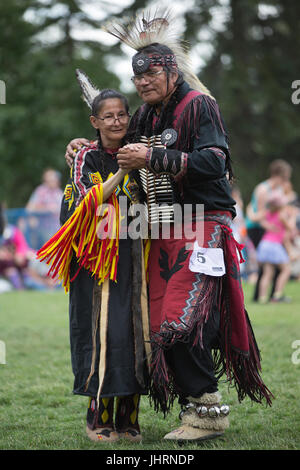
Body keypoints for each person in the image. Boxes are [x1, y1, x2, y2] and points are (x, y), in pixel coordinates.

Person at [64, 10, 273, 443]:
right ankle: (194, 405)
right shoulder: (145, 116)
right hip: (162, 225)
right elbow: (117, 142)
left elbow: (215, 163)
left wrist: (157, 159)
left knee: (182, 318)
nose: (143, 83)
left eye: (152, 74)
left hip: (204, 223)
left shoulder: (198, 105)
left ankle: (208, 412)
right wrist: (85, 143)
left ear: (171, 70)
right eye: (138, 78)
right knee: (157, 321)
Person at [37, 88, 150, 443]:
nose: (116, 121)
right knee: (104, 332)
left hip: (134, 252)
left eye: (122, 115)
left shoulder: (141, 149)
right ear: (95, 121)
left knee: (135, 330)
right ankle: (98, 415)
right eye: (108, 116)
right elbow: (89, 199)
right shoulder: (84, 155)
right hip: (95, 258)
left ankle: (129, 415)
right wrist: (121, 173)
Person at [256, 191, 293, 303]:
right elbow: (290, 227)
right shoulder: (281, 215)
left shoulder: (267, 213)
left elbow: (258, 220)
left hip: (264, 244)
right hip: (274, 245)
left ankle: (262, 298)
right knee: (286, 269)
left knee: (267, 273)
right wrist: (293, 216)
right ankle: (277, 295)